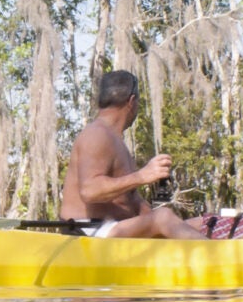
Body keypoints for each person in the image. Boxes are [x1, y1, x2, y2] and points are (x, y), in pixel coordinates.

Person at [60, 69, 204, 240]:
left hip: (116, 230)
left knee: (204, 223)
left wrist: (175, 225)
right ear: (132, 101)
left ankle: (229, 247)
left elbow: (135, 203)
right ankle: (218, 262)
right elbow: (90, 191)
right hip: (86, 232)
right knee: (163, 218)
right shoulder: (96, 134)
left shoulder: (117, 141)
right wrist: (142, 176)